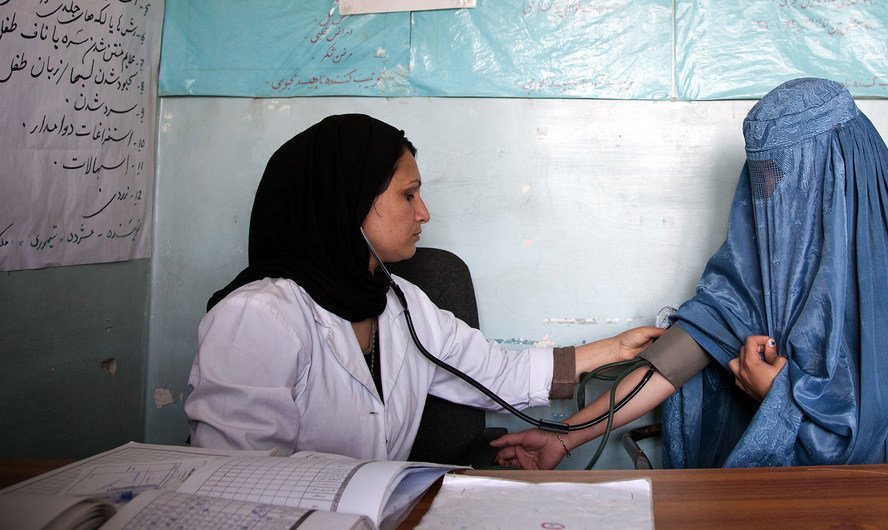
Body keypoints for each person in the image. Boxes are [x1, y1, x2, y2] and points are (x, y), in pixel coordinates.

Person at [491, 78, 888, 469]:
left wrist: (780, 398)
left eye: (785, 180)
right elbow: (675, 359)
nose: (772, 200)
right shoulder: (759, 265)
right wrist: (566, 435)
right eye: (761, 181)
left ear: (838, 176)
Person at [185, 114, 663, 461]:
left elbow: (500, 375)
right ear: (348, 201)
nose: (424, 213)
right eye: (407, 195)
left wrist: (614, 348)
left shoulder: (398, 303)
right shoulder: (257, 316)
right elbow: (235, 486)